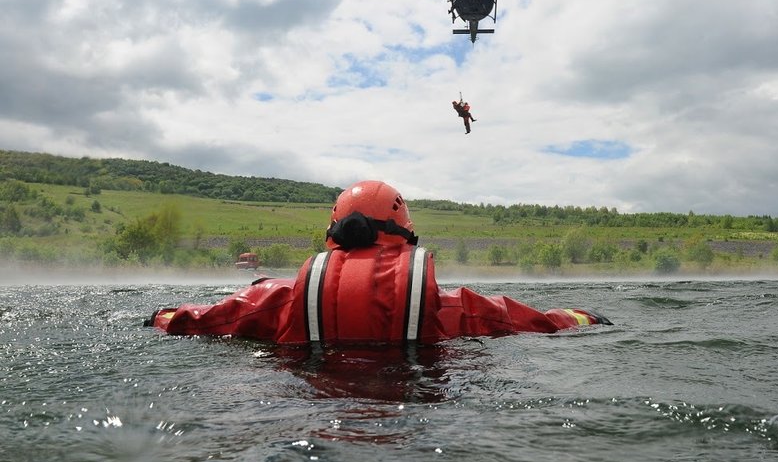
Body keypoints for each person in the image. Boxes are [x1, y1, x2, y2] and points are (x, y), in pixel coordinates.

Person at [145, 180, 611, 345]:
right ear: (406, 235)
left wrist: (161, 317)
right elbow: (526, 320)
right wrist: (583, 317)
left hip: (302, 417)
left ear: (332, 236)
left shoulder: (278, 300)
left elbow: (204, 321)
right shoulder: (453, 309)